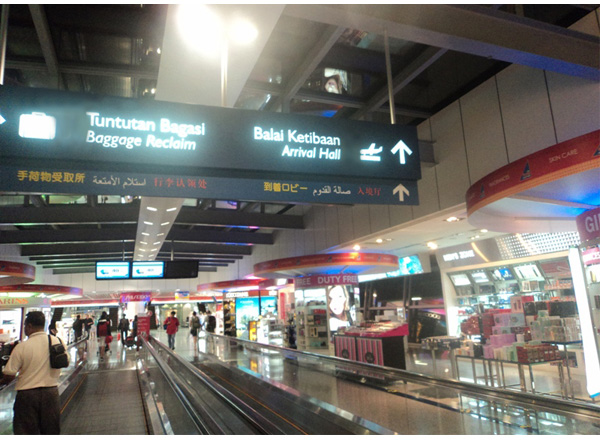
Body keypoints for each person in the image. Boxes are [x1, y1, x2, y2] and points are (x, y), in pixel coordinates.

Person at [0, 311, 68, 434]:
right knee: (51, 431)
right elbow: (66, 362)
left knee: (26, 431)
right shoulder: (57, 341)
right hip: (51, 394)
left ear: (29, 326)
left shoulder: (22, 347)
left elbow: (9, 374)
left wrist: (2, 382)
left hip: (27, 396)